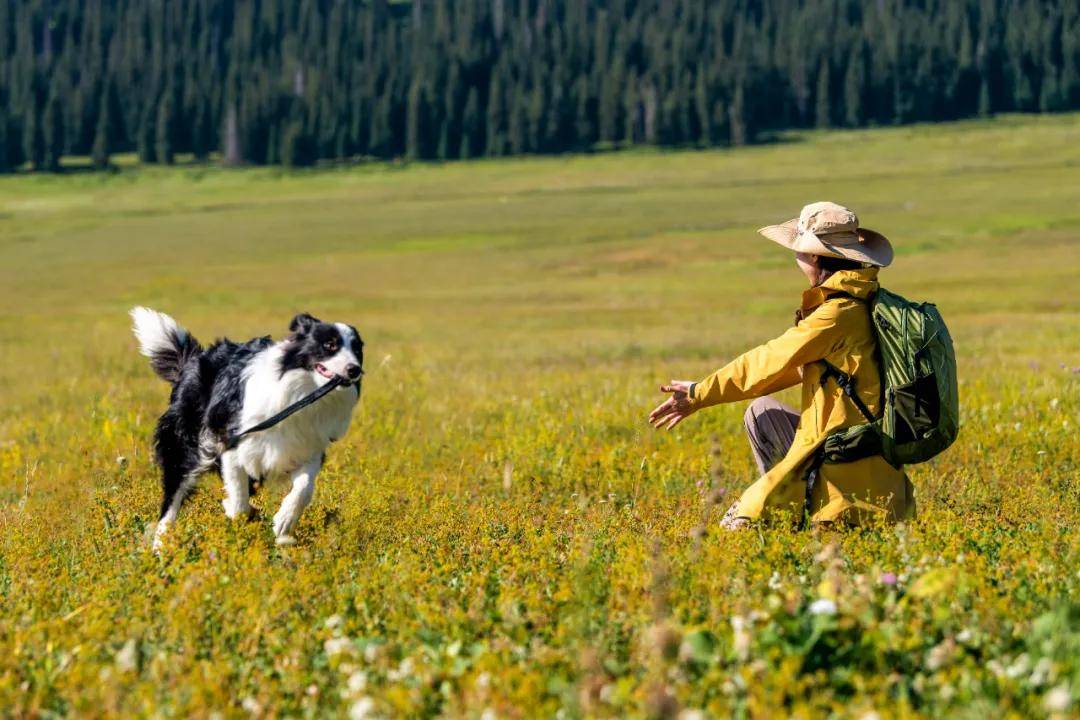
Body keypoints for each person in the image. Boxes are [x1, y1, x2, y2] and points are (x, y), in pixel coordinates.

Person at [648, 202, 914, 528]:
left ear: (814, 256)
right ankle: (791, 505)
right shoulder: (866, 302)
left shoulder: (838, 314)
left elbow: (768, 361)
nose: (796, 258)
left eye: (798, 250)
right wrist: (700, 394)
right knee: (762, 412)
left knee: (735, 529)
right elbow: (794, 368)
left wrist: (698, 392)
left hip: (849, 476)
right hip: (874, 468)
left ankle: (795, 515)